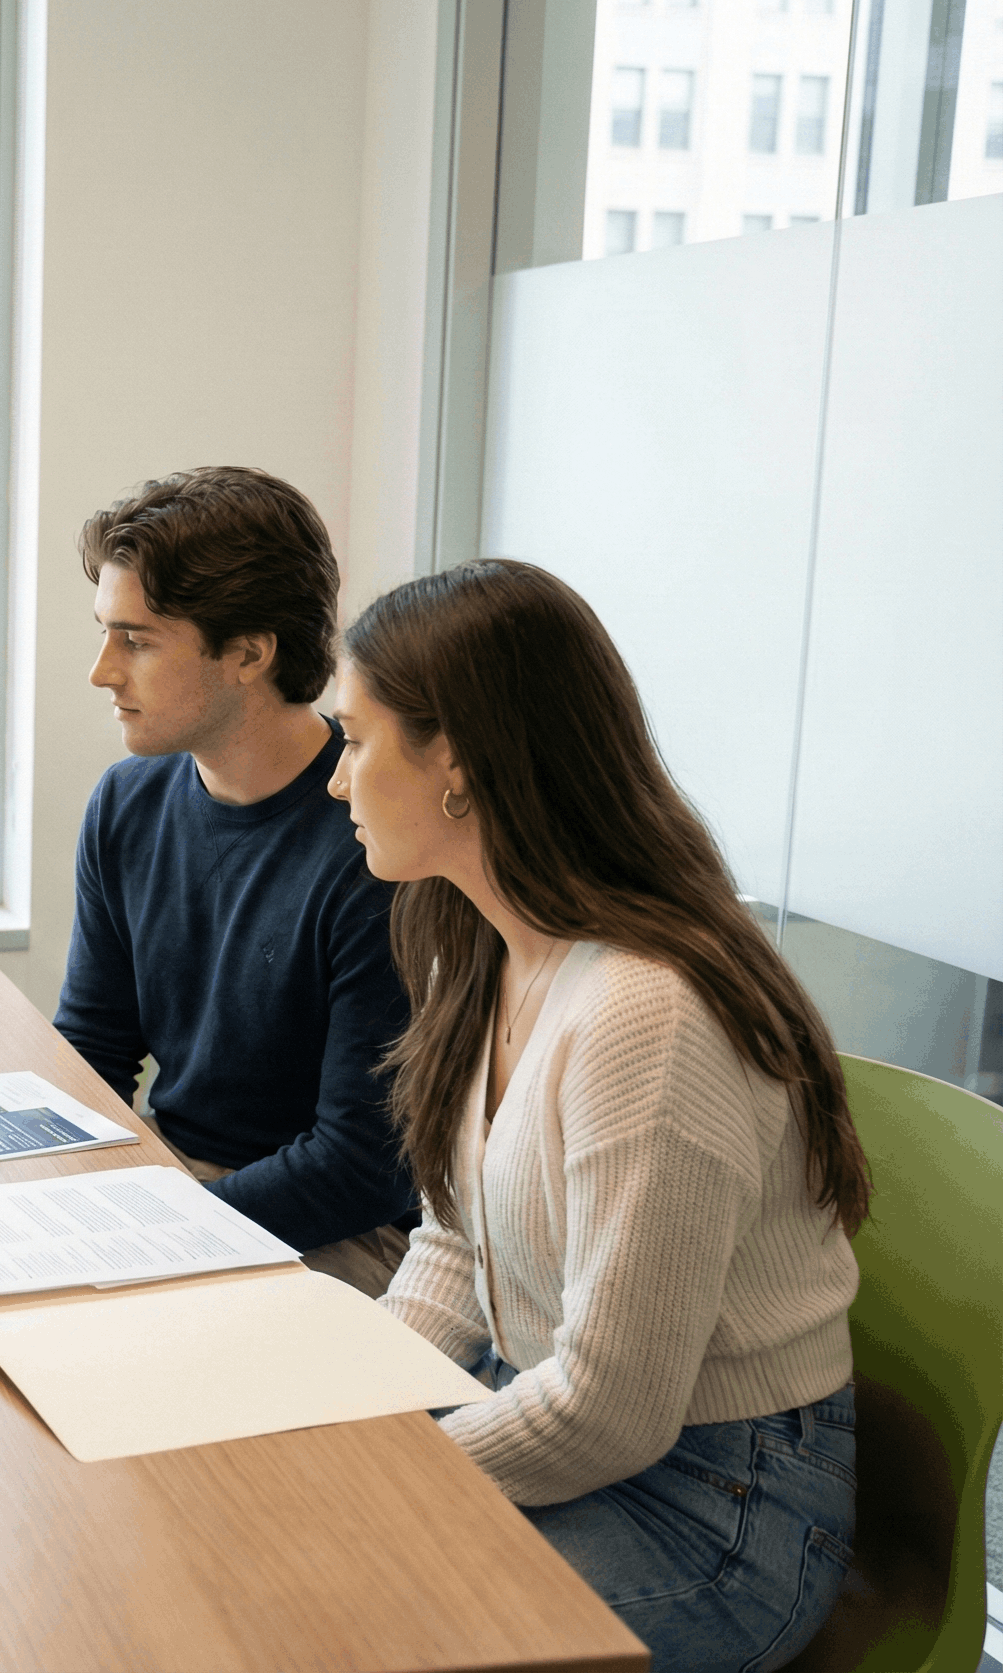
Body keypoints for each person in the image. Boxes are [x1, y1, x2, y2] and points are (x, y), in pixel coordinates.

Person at [331, 558, 865, 1672]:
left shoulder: (646, 1016)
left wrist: (379, 1478)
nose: (335, 780)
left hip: (717, 1507)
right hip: (554, 1415)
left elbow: (610, 1415)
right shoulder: (480, 940)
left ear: (457, 765)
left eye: (354, 738)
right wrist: (350, 1417)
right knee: (273, 1541)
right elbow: (448, 1246)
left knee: (337, 1617)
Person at [54, 467, 415, 1297]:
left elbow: (363, 1167)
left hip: (332, 1232)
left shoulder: (378, 840)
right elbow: (93, 1051)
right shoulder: (127, 801)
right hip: (176, 1183)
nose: (102, 671)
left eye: (137, 640)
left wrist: (159, 1229)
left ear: (249, 653)